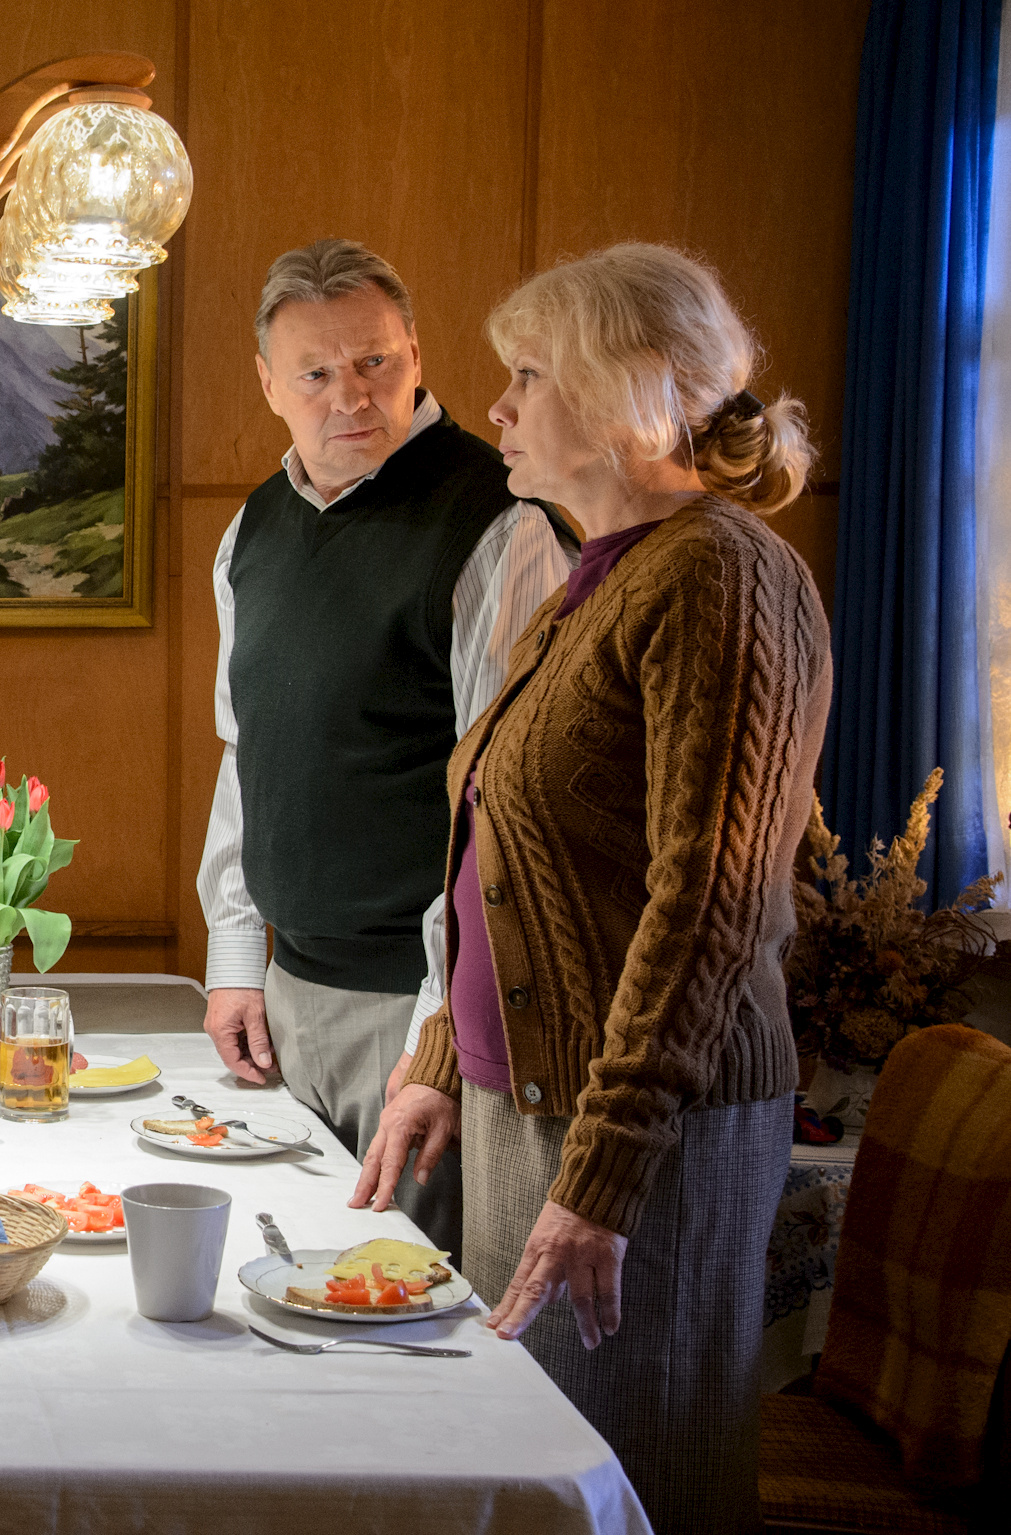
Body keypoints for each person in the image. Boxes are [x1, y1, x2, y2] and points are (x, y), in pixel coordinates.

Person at [352, 243, 828, 1532]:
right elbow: (506, 860)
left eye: (525, 374)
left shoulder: (719, 575)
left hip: (641, 1136)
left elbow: (707, 907)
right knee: (541, 1463)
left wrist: (606, 1170)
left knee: (628, 1477)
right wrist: (444, 1061)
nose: (495, 406)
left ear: (631, 393)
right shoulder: (600, 574)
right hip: (540, 1110)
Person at [197, 239, 572, 1253]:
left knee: (404, 1323)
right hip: (286, 1001)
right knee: (278, 1299)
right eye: (317, 373)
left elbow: (511, 810)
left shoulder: (500, 520)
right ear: (270, 385)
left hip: (418, 1014)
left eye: (376, 362)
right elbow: (248, 750)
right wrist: (236, 954)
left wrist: (436, 1043)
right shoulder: (253, 530)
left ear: (415, 352)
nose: (351, 396)